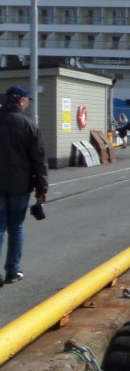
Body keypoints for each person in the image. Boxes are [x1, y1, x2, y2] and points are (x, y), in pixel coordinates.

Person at [0, 85, 48, 284]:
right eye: (27, 100)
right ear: (21, 101)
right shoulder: (29, 126)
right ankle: (12, 271)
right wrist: (41, 189)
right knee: (16, 228)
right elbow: (38, 160)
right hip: (20, 186)